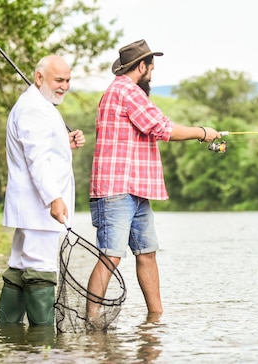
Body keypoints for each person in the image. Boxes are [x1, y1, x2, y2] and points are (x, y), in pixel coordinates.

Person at [86, 39, 220, 317]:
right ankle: (91, 319)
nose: (151, 74)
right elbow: (162, 128)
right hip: (116, 190)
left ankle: (156, 318)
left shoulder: (122, 92)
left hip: (134, 190)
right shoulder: (127, 91)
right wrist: (203, 132)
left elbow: (155, 125)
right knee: (110, 255)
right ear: (140, 66)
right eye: (150, 68)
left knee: (147, 252)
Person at [0, 55, 86, 326]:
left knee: (20, 266)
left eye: (68, 80)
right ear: (39, 78)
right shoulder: (34, 108)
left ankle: (9, 337)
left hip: (31, 208)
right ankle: (43, 343)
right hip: (39, 208)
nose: (65, 85)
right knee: (41, 269)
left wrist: (64, 141)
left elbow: (40, 148)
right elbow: (37, 159)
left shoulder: (37, 104)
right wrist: (54, 199)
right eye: (59, 80)